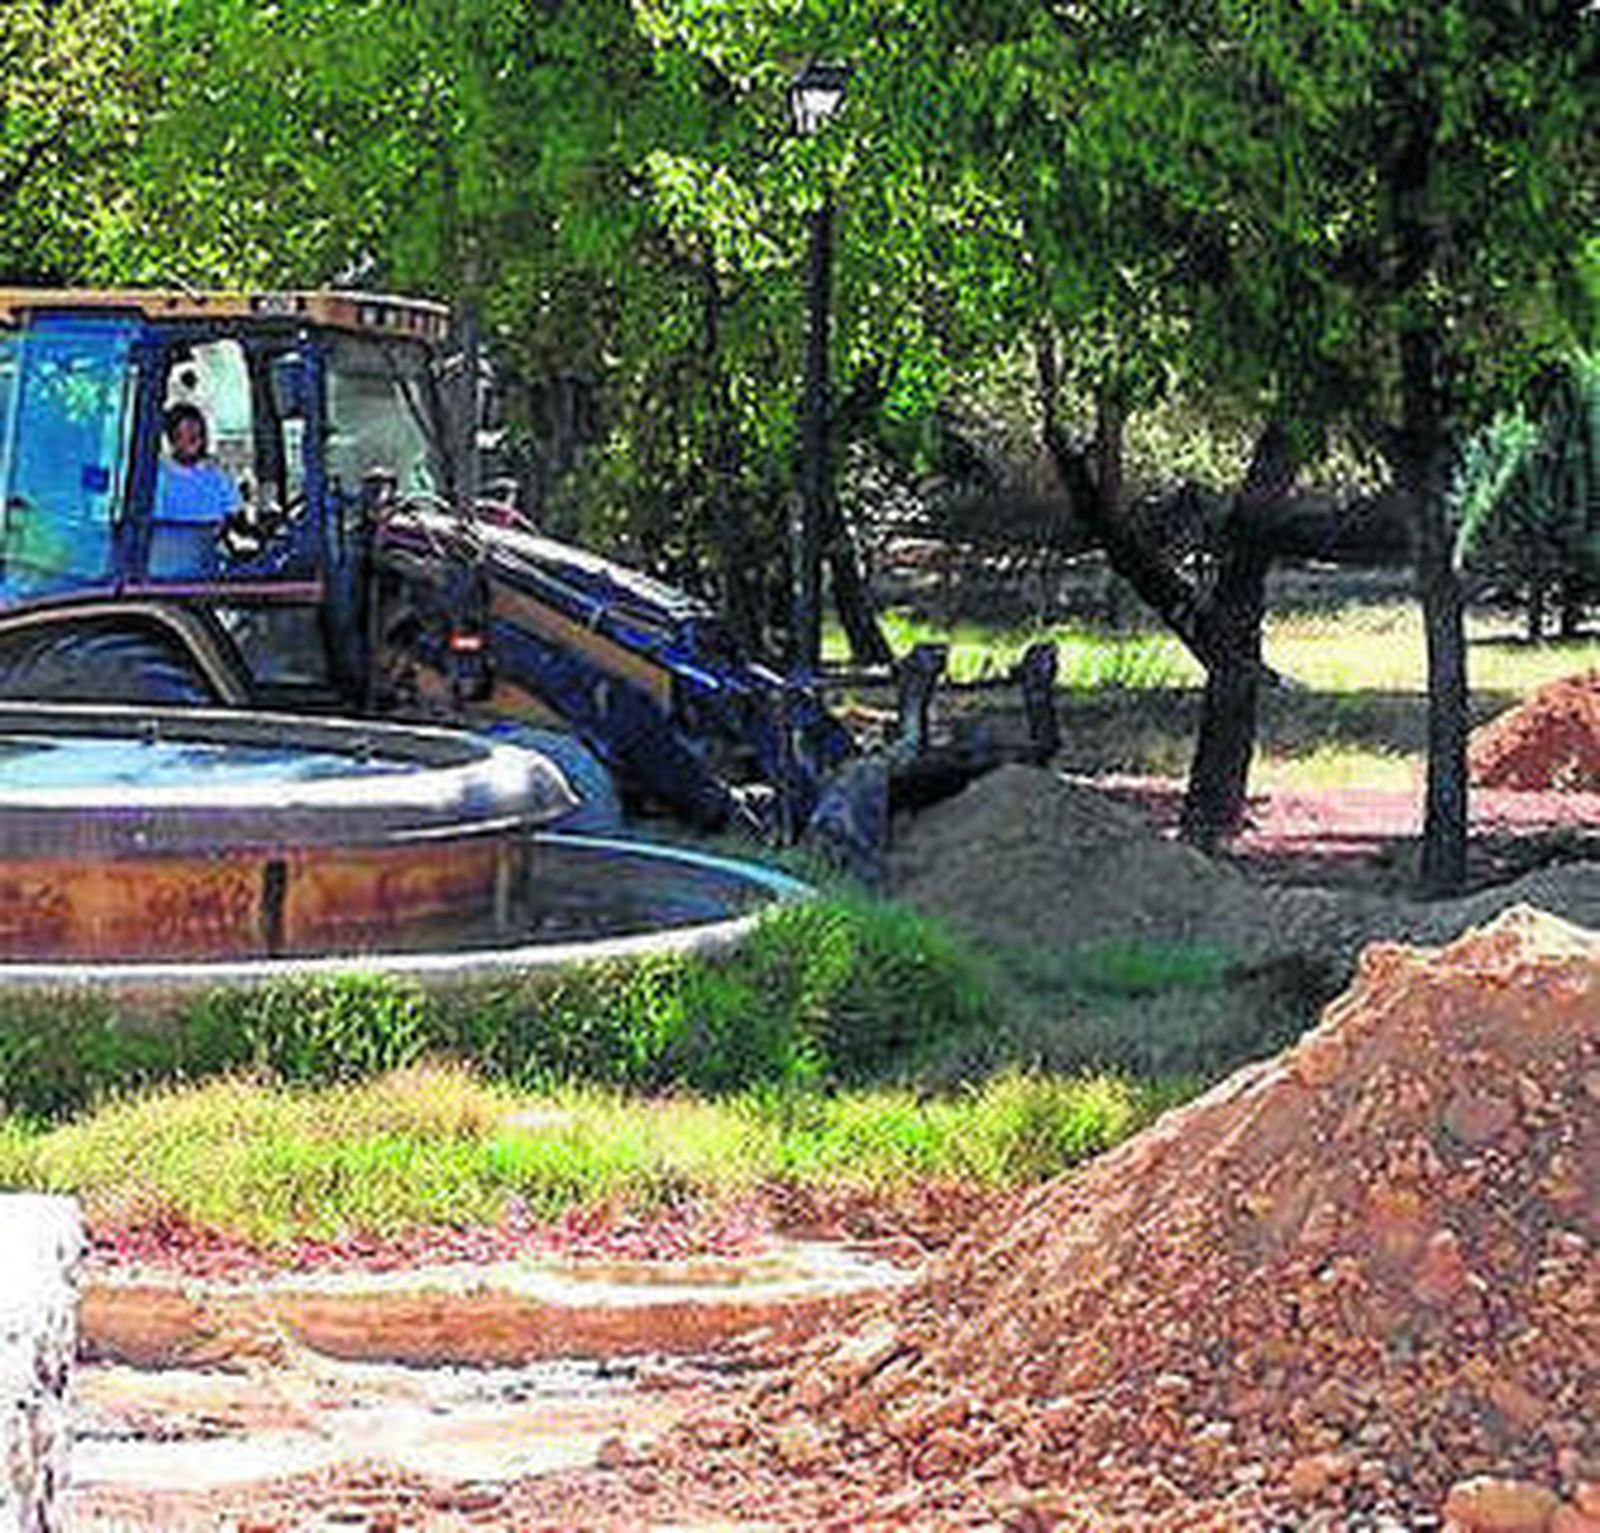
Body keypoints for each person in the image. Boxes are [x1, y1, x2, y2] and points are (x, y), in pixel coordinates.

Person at [150, 403, 240, 577]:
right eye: (187, 434)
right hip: (164, 568)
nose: (194, 439)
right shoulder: (158, 477)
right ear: (172, 438)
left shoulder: (218, 477)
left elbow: (234, 518)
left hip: (208, 566)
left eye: (197, 434)